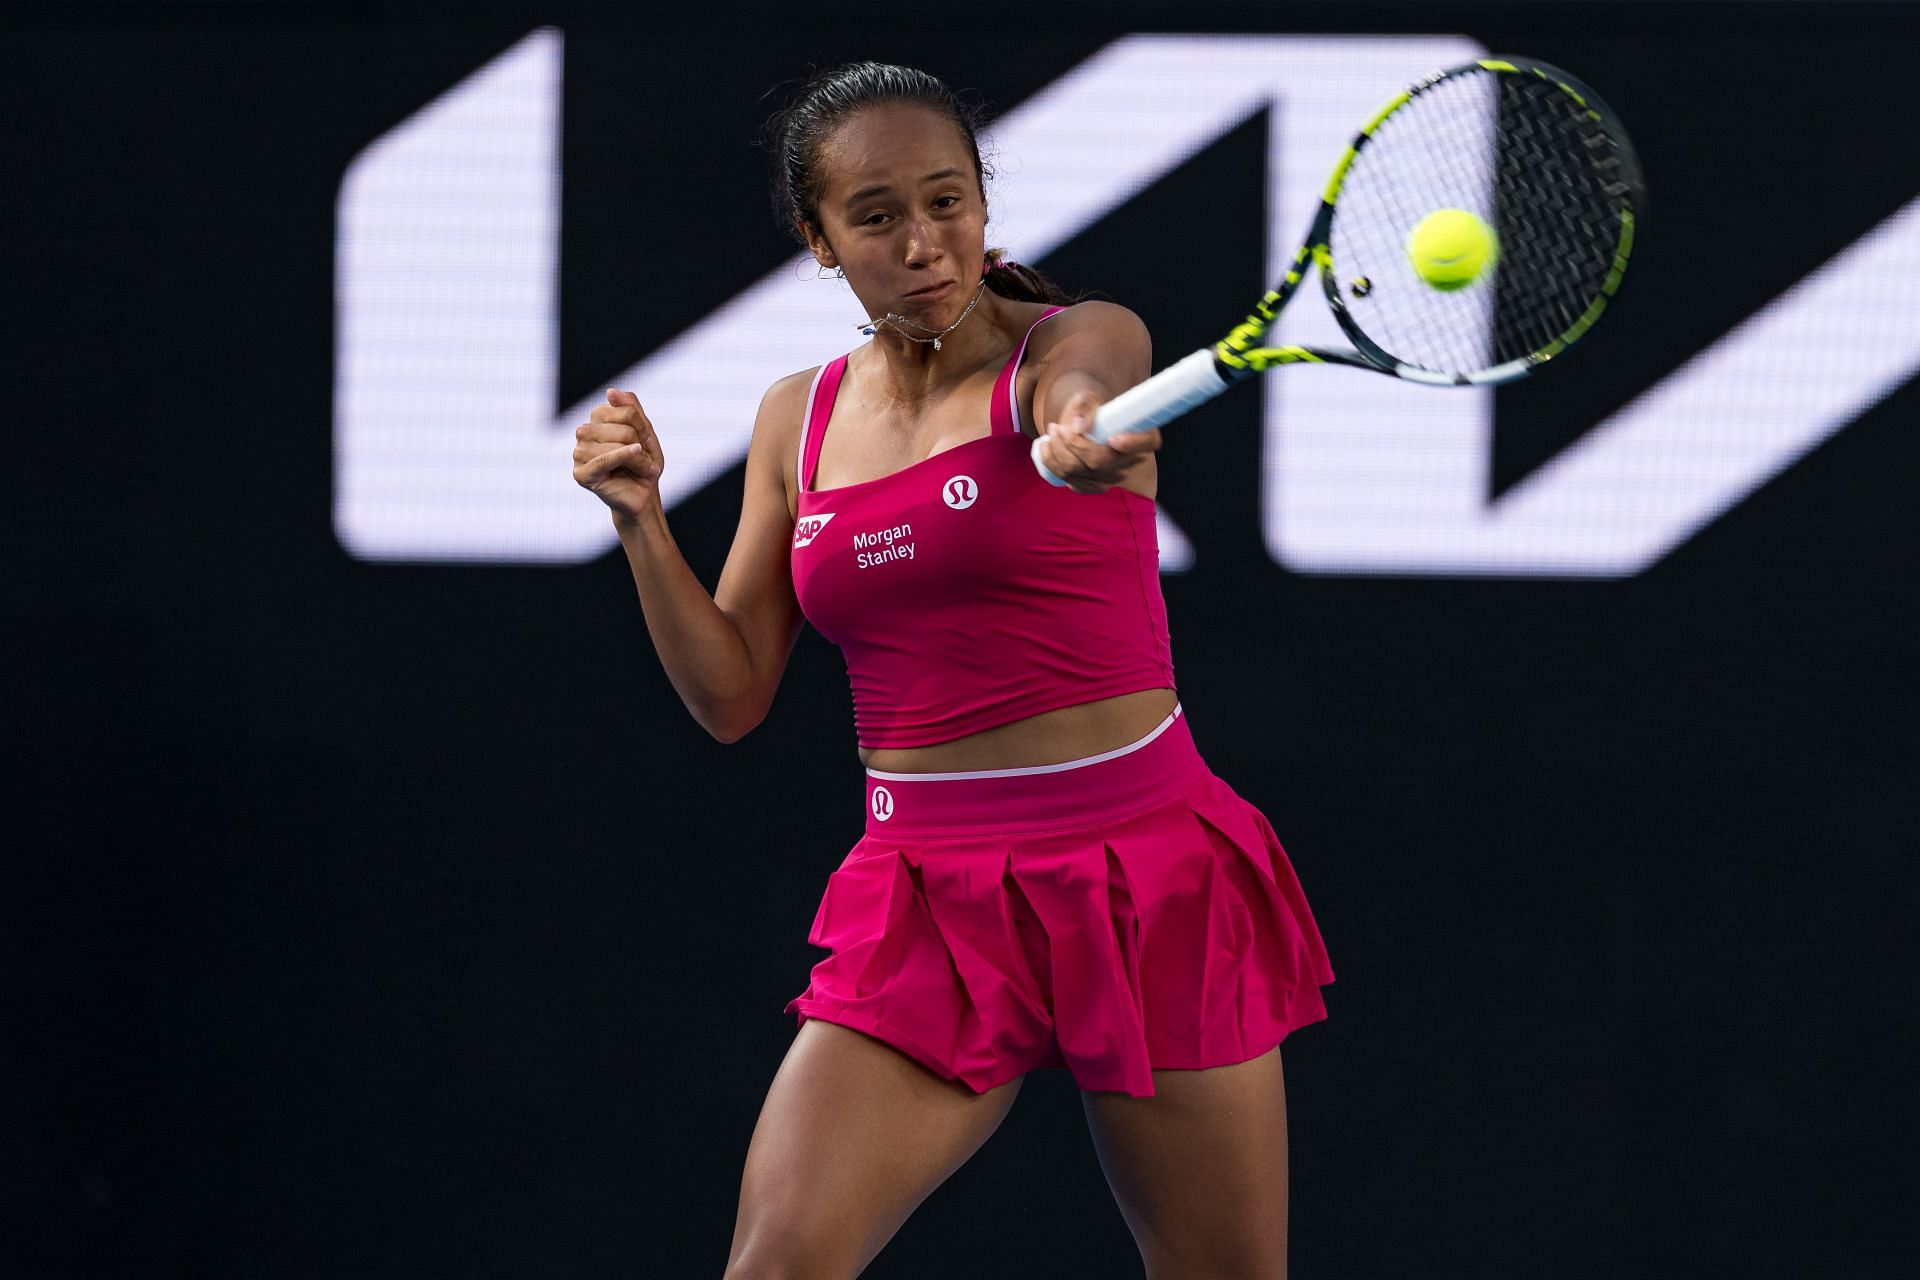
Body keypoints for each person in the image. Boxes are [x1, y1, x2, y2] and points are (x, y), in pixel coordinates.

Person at [572, 61, 1334, 1280]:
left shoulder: (1078, 342)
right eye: (877, 217)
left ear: (984, 205)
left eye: (949, 202)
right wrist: (640, 522)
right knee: (775, 1264)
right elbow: (729, 695)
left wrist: (1081, 429)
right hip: (928, 897)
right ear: (821, 243)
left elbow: (1085, 381)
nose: (925, 243)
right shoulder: (796, 420)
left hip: (1147, 876)